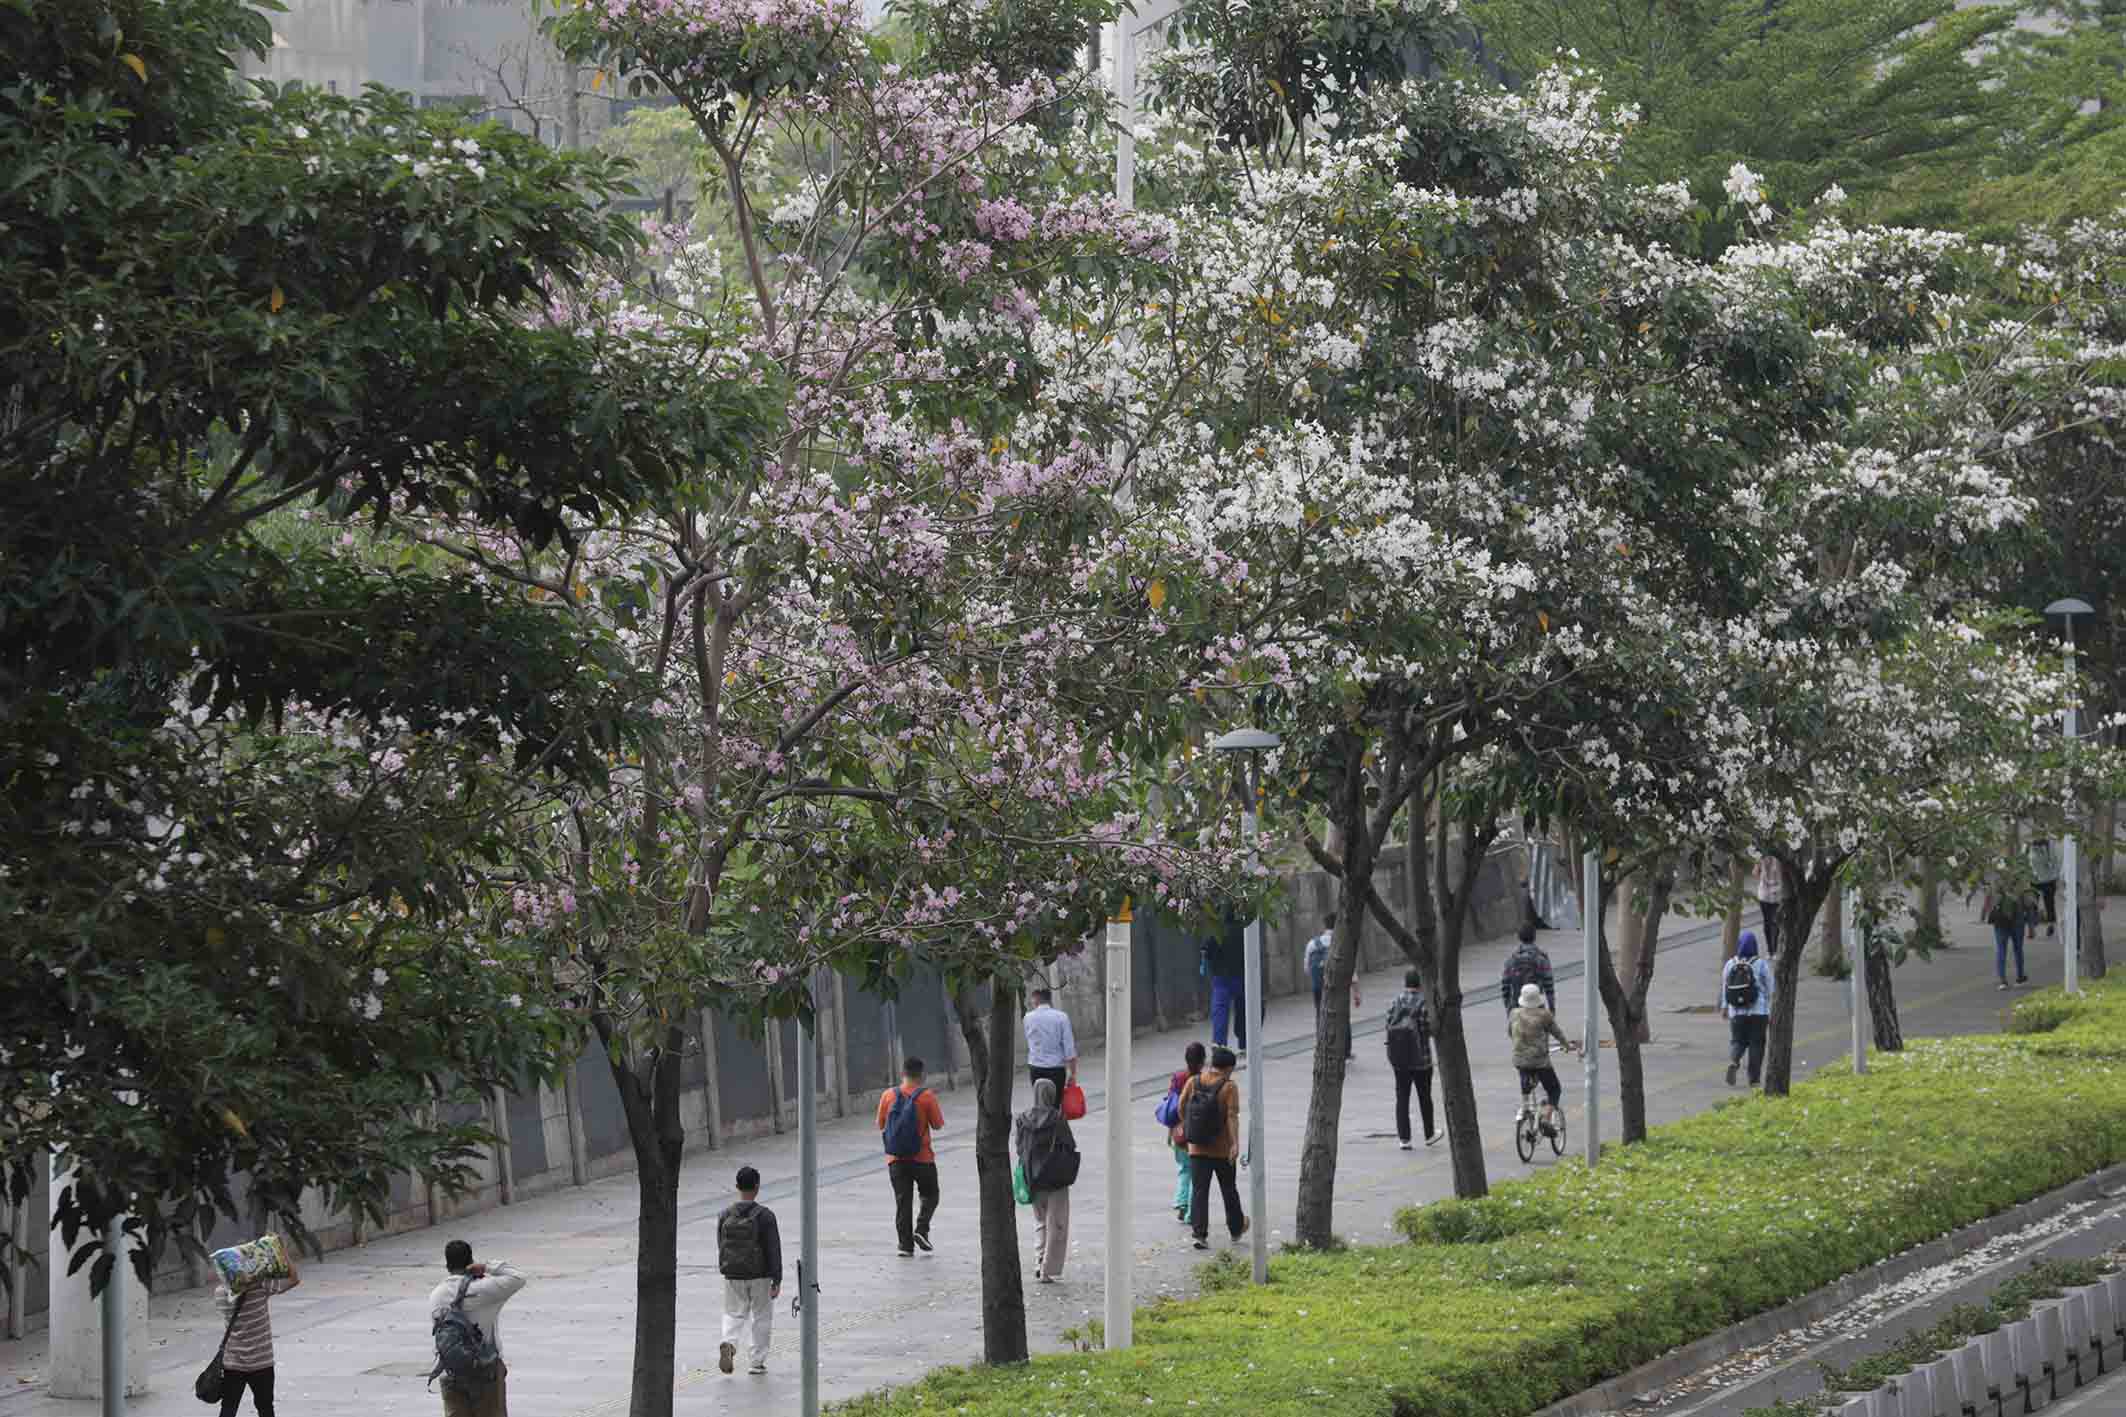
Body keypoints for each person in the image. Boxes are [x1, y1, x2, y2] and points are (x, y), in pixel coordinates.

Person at [427, 1241, 526, 1417]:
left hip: (451, 1373)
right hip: (484, 1372)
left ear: (447, 1265)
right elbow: (518, 1277)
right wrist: (486, 1266)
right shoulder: (484, 1290)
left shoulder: (437, 1295)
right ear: (470, 1261)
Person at [212, 1244, 300, 1417]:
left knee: (228, 1408)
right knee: (266, 1408)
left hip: (233, 1362)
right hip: (262, 1362)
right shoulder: (259, 1287)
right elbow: (293, 1279)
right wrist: (281, 1251)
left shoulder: (219, 1293)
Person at [1177, 1045, 1247, 1250]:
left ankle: (1199, 1234)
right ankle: (1235, 1230)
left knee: (1199, 1191)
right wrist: (1234, 1143)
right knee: (1229, 1189)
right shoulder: (1229, 1087)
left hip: (1197, 1148)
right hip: (1222, 1148)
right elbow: (1232, 1116)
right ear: (1227, 1068)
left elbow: (1181, 1108)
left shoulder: (1193, 1081)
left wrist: (1191, 1128)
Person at [876, 1056, 946, 1256]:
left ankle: (905, 1246)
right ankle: (921, 1228)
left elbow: (880, 1124)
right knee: (931, 1194)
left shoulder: (888, 1095)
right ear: (922, 1075)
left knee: (902, 1201)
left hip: (895, 1160)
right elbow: (938, 1125)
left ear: (902, 1074)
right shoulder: (927, 1096)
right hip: (922, 1158)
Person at [716, 1165, 782, 1376]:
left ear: (737, 1186)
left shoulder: (725, 1214)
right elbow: (773, 1248)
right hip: (760, 1275)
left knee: (733, 1313)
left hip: (733, 1273)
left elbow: (721, 1243)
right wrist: (777, 1278)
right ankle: (756, 1362)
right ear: (757, 1187)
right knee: (761, 1317)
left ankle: (729, 1342)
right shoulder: (765, 1216)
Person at [1014, 1076, 1079, 1282]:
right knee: (1057, 1223)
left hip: (1033, 1177)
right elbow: (1069, 1145)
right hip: (1056, 1178)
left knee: (1040, 1221)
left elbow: (1019, 1147)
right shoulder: (1058, 1119)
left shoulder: (1023, 1119)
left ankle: (1038, 1259)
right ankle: (1047, 1269)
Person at [1508, 983, 1575, 1134]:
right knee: (1554, 1089)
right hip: (1540, 1061)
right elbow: (1557, 1033)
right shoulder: (1544, 1015)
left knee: (1526, 1078)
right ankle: (1545, 1117)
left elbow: (1510, 1033)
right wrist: (1567, 1046)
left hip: (1519, 1059)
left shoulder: (1514, 1013)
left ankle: (1525, 1106)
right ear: (1538, 999)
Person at [1383, 969, 1438, 1149]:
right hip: (1421, 1059)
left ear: (1405, 983)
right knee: (1425, 1097)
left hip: (1399, 1059)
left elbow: (1388, 1024)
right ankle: (1429, 1134)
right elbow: (1429, 1029)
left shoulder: (1395, 1001)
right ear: (1420, 983)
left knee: (1402, 1097)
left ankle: (1404, 1139)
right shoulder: (1424, 1003)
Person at [1720, 932, 1776, 1088]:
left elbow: (1725, 987)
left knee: (1738, 1040)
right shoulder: (1761, 964)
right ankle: (1754, 1079)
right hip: (1758, 1012)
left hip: (1736, 1013)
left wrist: (1725, 1007)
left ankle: (1734, 1060)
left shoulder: (1730, 964)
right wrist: (1770, 1007)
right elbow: (1772, 988)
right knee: (1756, 1044)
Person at [1303, 913, 1361, 1060]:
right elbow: (1351, 970)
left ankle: (1322, 1049)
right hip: (1339, 986)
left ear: (1324, 925)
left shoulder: (1312, 944)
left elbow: (1307, 968)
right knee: (1343, 1017)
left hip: (1319, 987)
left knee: (1320, 1016)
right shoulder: (1343, 943)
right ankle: (1345, 1051)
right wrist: (1356, 993)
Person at [1161, 1041, 1206, 1222]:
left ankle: (1181, 1201)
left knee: (1184, 1169)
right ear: (1203, 1061)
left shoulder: (1178, 1078)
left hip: (1179, 1132)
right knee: (1196, 1172)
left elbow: (1170, 1105)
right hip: (1196, 1131)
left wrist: (1170, 1131)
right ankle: (1190, 1214)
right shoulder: (1203, 1080)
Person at [1202, 916, 1248, 1055]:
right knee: (1243, 1010)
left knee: (1220, 1010)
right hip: (1241, 976)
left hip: (1220, 977)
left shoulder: (1217, 929)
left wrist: (1207, 965)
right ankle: (1245, 1044)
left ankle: (1219, 1043)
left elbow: (1205, 951)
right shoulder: (1244, 929)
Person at [1023, 986, 1078, 1097]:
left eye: (1032, 1001)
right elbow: (1069, 1048)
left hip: (1035, 1068)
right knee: (1056, 1105)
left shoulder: (1027, 1018)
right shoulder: (1061, 1017)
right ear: (1049, 1000)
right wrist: (1073, 1073)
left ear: (1036, 1000)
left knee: (1040, 1105)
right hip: (1056, 1069)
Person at [1984, 879, 2031, 990]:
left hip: (2001, 923)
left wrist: (1989, 914)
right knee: (2018, 950)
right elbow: (2029, 904)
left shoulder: (1995, 882)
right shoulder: (2021, 882)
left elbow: (1987, 903)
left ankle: (2002, 981)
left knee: (2001, 950)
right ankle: (2020, 977)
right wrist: (2031, 926)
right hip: (2018, 922)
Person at [1500, 924, 1555, 1015]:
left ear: (1519, 937)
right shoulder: (1541, 958)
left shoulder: (1512, 959)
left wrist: (1508, 1007)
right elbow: (1549, 986)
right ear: (1534, 936)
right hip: (1537, 1006)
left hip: (1516, 1007)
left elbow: (1505, 985)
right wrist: (1552, 1009)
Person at [2030, 837, 2061, 938]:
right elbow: (2023, 861)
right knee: (2032, 904)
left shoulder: (2049, 845)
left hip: (2048, 879)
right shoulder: (2027, 846)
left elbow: (2055, 862)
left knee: (2049, 904)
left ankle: (2051, 924)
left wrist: (2055, 877)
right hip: (2033, 880)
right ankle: (2032, 927)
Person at [1755, 855, 1784, 956]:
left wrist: (1762, 878)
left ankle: (1771, 950)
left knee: (1768, 922)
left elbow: (1755, 873)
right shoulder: (1779, 857)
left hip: (1765, 894)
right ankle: (1773, 950)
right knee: (1774, 922)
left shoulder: (1761, 857)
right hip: (1775, 894)